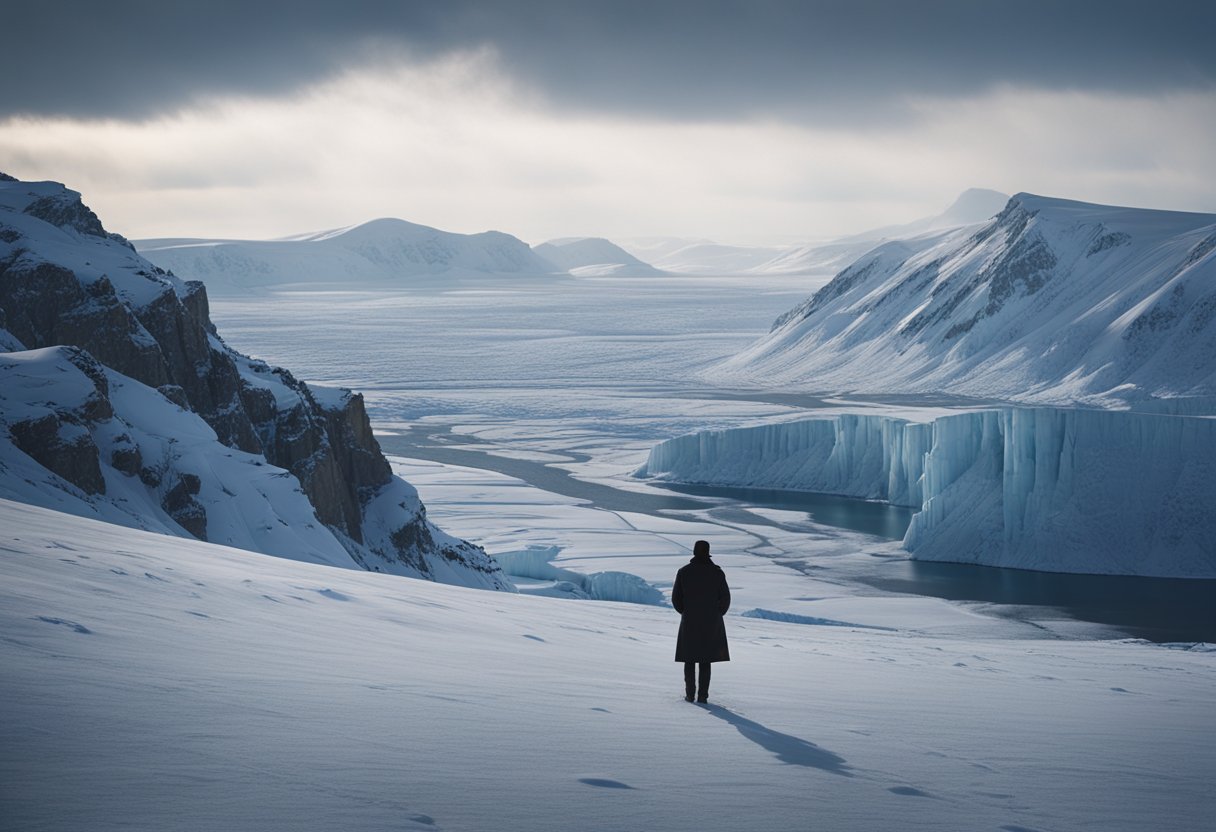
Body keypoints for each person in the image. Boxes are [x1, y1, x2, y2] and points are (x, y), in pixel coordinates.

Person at [671, 539, 730, 703]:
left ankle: (690, 695)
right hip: (711, 623)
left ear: (694, 552)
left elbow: (676, 599)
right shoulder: (717, 573)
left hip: (689, 622)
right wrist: (717, 614)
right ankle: (703, 696)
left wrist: (686, 612)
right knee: (705, 660)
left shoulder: (684, 572)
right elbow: (725, 598)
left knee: (689, 659)